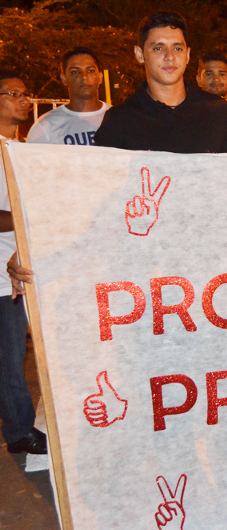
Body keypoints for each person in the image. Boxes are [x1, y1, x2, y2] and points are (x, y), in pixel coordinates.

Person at [93, 12, 227, 153]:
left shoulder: (217, 111)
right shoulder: (119, 119)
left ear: (187, 55)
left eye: (177, 48)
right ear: (139, 54)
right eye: (158, 48)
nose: (170, 56)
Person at [0, 70, 46, 455]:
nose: (23, 99)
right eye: (12, 93)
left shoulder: (19, 147)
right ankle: (18, 430)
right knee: (10, 357)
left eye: (24, 92)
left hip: (25, 266)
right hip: (2, 274)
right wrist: (32, 216)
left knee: (23, 352)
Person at [27, 47, 110, 146]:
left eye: (91, 71)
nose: (84, 77)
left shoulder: (119, 119)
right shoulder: (45, 127)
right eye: (74, 72)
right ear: (64, 79)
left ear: (100, 77)